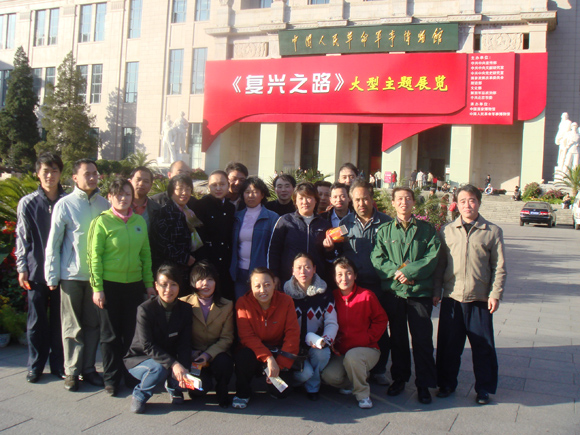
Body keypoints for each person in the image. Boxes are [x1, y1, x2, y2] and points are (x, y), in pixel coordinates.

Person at [434, 184, 506, 405]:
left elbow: (499, 266)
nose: (468, 205)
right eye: (463, 201)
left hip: (480, 299)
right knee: (449, 346)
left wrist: (495, 294)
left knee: (483, 347)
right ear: (456, 204)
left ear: (479, 203)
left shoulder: (492, 231)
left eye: (472, 200)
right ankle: (446, 384)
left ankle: (484, 388)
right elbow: (440, 265)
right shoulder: (447, 230)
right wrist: (437, 291)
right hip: (452, 298)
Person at [370, 187, 440, 404]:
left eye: (408, 198)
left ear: (413, 202)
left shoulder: (427, 230)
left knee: (422, 339)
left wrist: (409, 272)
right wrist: (397, 273)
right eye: (399, 199)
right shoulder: (384, 231)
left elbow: (432, 257)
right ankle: (399, 378)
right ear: (393, 203)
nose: (403, 202)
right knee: (398, 339)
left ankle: (424, 384)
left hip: (419, 293)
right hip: (394, 293)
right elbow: (377, 258)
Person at [45, 158, 110, 392]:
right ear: (74, 178)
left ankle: (89, 369)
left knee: (93, 326)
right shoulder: (65, 205)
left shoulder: (105, 204)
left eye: (95, 173)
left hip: (96, 278)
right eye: (86, 174)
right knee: (72, 327)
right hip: (71, 275)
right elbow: (54, 242)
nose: (92, 177)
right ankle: (72, 371)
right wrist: (52, 274)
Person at [88, 178, 156, 396]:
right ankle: (111, 378)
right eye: (118, 194)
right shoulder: (102, 222)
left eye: (127, 194)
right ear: (109, 197)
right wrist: (97, 288)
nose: (123, 198)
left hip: (133, 286)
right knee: (110, 335)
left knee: (131, 333)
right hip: (109, 286)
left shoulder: (139, 221)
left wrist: (148, 284)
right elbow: (94, 257)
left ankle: (130, 374)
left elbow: (145, 255)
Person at [326, 180, 392, 385]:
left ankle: (379, 370)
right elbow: (338, 253)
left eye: (365, 199)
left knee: (380, 327)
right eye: (357, 200)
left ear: (372, 199)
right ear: (351, 201)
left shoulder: (386, 222)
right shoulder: (345, 224)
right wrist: (329, 248)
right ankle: (353, 365)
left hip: (379, 285)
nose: (361, 203)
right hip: (353, 285)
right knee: (352, 326)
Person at [16, 152, 66, 383]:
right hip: (36, 270)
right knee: (36, 320)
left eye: (54, 170)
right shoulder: (27, 203)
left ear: (61, 173)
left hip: (62, 271)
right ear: (38, 173)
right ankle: (35, 365)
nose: (50, 175)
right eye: (45, 171)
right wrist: (22, 267)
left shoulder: (67, 201)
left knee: (59, 320)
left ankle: (58, 364)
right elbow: (22, 237)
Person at [124, 264, 192, 414]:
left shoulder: (186, 309)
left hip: (168, 357)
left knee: (187, 367)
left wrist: (184, 367)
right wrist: (174, 364)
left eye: (173, 284)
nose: (168, 289)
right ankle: (140, 394)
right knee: (158, 369)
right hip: (141, 358)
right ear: (156, 285)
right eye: (164, 284)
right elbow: (147, 345)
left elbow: (185, 343)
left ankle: (173, 386)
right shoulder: (145, 309)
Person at [321, 257, 388, 409]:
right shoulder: (332, 297)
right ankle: (354, 380)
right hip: (342, 351)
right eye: (339, 274)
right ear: (334, 277)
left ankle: (363, 395)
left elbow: (381, 320)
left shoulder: (367, 296)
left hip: (367, 348)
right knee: (329, 376)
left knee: (353, 357)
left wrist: (368, 337)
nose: (344, 278)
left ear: (355, 276)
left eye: (349, 273)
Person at [233, 268, 300, 409]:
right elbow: (247, 337)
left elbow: (292, 334)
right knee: (243, 356)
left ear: (274, 284)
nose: (263, 290)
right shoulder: (243, 303)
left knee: (282, 392)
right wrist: (268, 358)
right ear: (251, 287)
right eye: (257, 286)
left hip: (278, 352)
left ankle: (271, 380)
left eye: (267, 285)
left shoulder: (286, 301)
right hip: (254, 352)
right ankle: (243, 393)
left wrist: (278, 365)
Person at [283, 253, 338, 401]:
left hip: (315, 343)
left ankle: (313, 386)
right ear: (292, 270)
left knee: (323, 354)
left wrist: (326, 340)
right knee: (304, 373)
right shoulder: (284, 294)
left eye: (307, 267)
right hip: (292, 346)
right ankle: (295, 383)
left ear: (314, 269)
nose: (303, 271)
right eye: (299, 267)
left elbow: (331, 322)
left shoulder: (325, 293)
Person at [180, 261, 234, 408]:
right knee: (198, 391)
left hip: (216, 354)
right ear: (193, 282)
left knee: (224, 362)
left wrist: (207, 355)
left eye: (210, 279)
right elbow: (180, 338)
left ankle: (222, 388)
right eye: (200, 280)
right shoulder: (183, 303)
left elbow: (227, 338)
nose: (205, 284)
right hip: (194, 355)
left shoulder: (227, 305)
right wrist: (192, 353)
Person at [268, 182, 333, 286]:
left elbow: (329, 257)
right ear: (295, 201)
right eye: (301, 198)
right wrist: (274, 275)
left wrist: (329, 249)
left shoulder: (324, 224)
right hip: (289, 279)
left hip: (317, 280)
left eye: (309, 198)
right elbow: (274, 251)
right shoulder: (285, 221)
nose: (305, 202)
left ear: (316, 200)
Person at [231, 177, 279, 300]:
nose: (250, 196)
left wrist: (274, 273)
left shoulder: (272, 218)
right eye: (247, 192)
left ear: (262, 195)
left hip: (262, 273)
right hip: (240, 272)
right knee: (242, 305)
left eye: (255, 192)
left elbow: (276, 249)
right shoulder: (236, 217)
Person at [150, 174, 199, 293]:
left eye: (188, 189)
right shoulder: (163, 213)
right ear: (171, 191)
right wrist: (185, 258)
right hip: (169, 273)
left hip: (187, 270)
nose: (184, 193)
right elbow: (161, 244)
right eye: (180, 189)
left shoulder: (189, 212)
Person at [193, 170, 235, 299]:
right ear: (208, 186)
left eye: (222, 184)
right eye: (214, 185)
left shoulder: (231, 208)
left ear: (228, 186)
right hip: (206, 261)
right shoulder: (200, 206)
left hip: (225, 263)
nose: (218, 188)